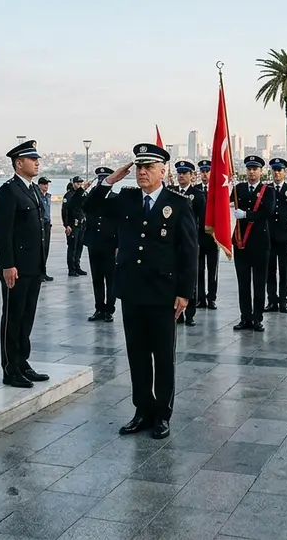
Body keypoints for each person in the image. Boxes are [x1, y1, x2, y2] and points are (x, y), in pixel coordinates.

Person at [85, 144, 197, 440]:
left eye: (148, 167)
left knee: (163, 356)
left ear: (163, 171)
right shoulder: (127, 199)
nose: (142, 172)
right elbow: (90, 206)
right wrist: (110, 180)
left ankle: (162, 414)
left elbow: (188, 252)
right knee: (136, 354)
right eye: (138, 167)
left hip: (163, 293)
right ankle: (142, 410)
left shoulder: (179, 203)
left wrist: (185, 293)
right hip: (132, 291)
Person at [0, 140, 49, 389]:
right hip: (15, 267)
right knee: (13, 317)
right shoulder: (8, 191)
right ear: (19, 163)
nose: (37, 162)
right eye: (32, 159)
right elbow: (2, 231)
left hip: (34, 266)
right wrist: (7, 264)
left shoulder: (34, 189)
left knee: (27, 317)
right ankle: (10, 368)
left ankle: (22, 362)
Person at [233, 156, 275, 331]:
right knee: (243, 283)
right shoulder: (238, 188)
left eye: (255, 169)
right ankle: (245, 318)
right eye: (249, 168)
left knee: (259, 283)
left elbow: (268, 212)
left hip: (259, 243)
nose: (251, 172)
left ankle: (257, 318)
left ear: (261, 171)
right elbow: (227, 204)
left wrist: (246, 215)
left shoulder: (268, 191)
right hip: (241, 243)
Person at [171, 161, 203, 326]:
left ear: (192, 175)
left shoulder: (197, 194)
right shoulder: (172, 193)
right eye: (179, 173)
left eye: (185, 173)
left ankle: (190, 313)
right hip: (174, 243)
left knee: (191, 277)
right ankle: (178, 313)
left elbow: (201, 219)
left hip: (190, 241)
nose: (181, 176)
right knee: (176, 277)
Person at [85, 166, 119, 323]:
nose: (100, 182)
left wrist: (119, 244)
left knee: (111, 279)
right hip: (94, 244)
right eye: (99, 179)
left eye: (104, 179)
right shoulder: (92, 198)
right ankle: (99, 308)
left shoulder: (115, 198)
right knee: (96, 278)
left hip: (110, 245)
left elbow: (120, 224)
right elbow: (79, 206)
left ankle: (109, 310)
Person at [263, 158, 287, 314]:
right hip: (268, 236)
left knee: (284, 271)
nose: (276, 173)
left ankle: (283, 301)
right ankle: (272, 300)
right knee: (270, 271)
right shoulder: (266, 189)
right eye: (274, 170)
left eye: (279, 170)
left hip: (284, 237)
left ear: (284, 172)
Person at [195, 159, 218, 310]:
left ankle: (212, 298)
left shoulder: (217, 191)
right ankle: (200, 297)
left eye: (207, 171)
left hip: (213, 236)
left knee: (212, 269)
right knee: (199, 269)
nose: (204, 174)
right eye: (202, 171)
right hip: (197, 235)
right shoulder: (195, 190)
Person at [62, 178, 88, 276]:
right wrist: (66, 225)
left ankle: (77, 266)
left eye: (81, 183)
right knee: (72, 247)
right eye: (77, 183)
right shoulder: (69, 195)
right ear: (73, 184)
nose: (79, 184)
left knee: (79, 247)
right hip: (73, 225)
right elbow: (65, 211)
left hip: (81, 224)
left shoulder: (83, 194)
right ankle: (71, 269)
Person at [38, 177, 54, 282]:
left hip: (47, 224)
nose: (46, 186)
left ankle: (44, 272)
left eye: (47, 184)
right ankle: (38, 273)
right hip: (40, 225)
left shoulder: (48, 196)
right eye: (44, 184)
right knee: (40, 250)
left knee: (46, 249)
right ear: (39, 185)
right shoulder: (37, 196)